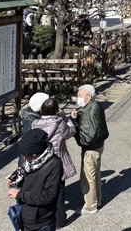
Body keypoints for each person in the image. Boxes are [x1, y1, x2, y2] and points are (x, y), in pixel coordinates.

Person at [32, 98, 76, 229]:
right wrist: (67, 118)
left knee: (45, 191)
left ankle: (44, 217)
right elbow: (71, 132)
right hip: (57, 162)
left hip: (42, 163)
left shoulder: (35, 123)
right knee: (59, 192)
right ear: (56, 110)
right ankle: (60, 221)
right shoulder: (60, 123)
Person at [7, 128, 63, 231]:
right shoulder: (32, 161)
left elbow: (49, 196)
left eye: (26, 155)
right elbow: (28, 174)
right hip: (25, 215)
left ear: (35, 154)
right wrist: (16, 178)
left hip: (41, 222)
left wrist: (20, 194)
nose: (24, 157)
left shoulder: (55, 165)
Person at [72, 84, 109, 215]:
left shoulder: (92, 110)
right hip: (98, 146)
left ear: (89, 96)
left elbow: (88, 135)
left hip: (91, 149)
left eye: (80, 95)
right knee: (95, 175)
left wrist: (75, 130)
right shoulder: (95, 105)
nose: (78, 98)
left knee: (88, 178)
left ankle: (90, 205)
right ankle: (97, 200)